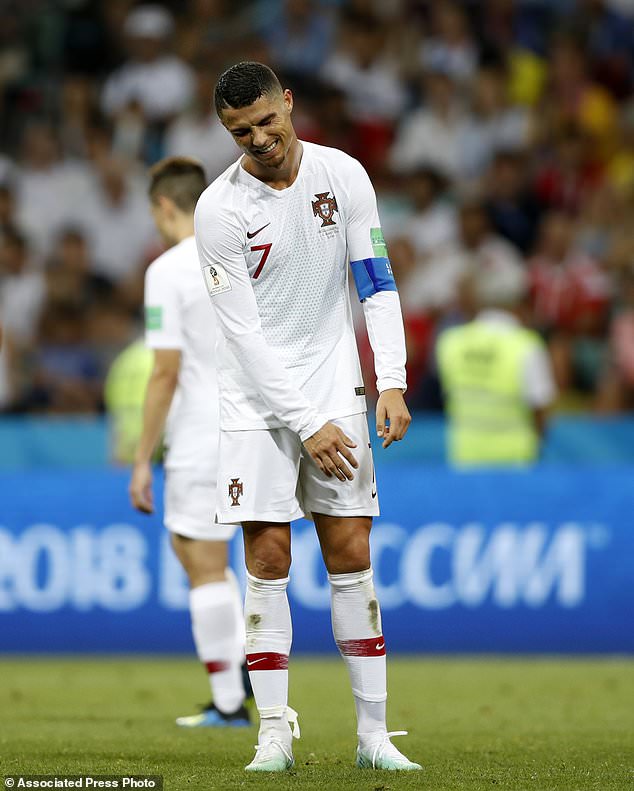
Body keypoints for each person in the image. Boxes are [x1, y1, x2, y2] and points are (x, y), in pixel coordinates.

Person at [194, 62, 421, 772]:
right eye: (240, 131)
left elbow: (376, 284)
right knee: (267, 559)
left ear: (288, 103)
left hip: (337, 394)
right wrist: (304, 421)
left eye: (266, 120)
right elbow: (244, 336)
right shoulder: (218, 211)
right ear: (224, 130)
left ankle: (373, 737)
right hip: (257, 406)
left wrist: (390, 380)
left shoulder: (343, 175)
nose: (258, 138)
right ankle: (273, 733)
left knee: (351, 555)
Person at [129, 157, 249, 727]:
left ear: (165, 208)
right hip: (254, 427)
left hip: (202, 433)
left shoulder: (169, 269)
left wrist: (140, 457)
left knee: (200, 561)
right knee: (217, 560)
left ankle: (229, 702)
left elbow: (164, 372)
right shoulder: (243, 252)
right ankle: (242, 674)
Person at [437, 267, 556, 466]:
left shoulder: (451, 342)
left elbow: (446, 392)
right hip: (516, 459)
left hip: (465, 456)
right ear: (518, 305)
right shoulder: (527, 345)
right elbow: (541, 408)